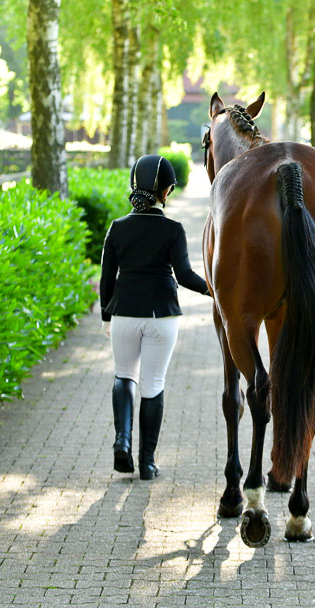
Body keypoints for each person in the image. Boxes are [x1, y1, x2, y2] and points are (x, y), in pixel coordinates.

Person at [100, 154, 210, 480]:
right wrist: (214, 291)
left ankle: (122, 441)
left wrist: (107, 316)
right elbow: (186, 275)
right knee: (153, 384)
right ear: (167, 191)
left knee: (123, 376)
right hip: (163, 315)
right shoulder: (173, 230)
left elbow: (107, 279)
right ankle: (147, 462)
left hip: (124, 313)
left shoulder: (117, 228)